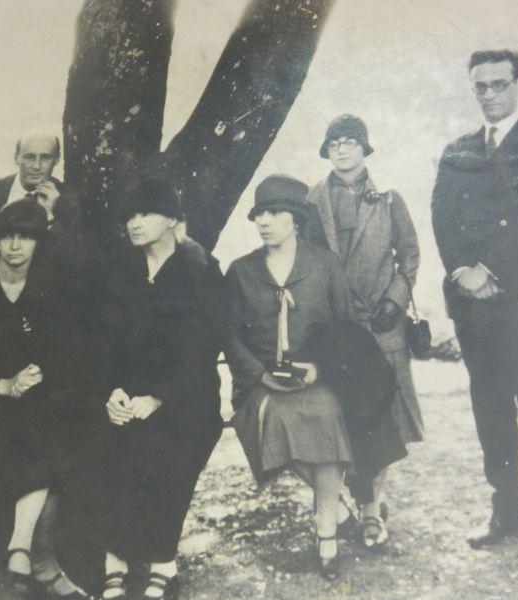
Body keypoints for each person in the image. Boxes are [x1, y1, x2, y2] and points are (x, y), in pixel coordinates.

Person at [432, 49, 518, 550]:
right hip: (475, 306)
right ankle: (503, 509)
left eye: (499, 84)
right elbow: (442, 217)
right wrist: (462, 271)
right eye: (480, 86)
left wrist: (492, 269)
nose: (489, 95)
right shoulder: (457, 151)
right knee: (490, 407)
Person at [0, 201, 91, 598]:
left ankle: (24, 550)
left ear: (39, 242)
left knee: (48, 427)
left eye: (25, 236)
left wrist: (40, 373)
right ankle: (33, 559)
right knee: (20, 434)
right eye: (8, 236)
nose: (15, 245)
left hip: (39, 395)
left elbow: (73, 348)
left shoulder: (56, 286)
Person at [93, 177, 224, 600]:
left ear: (173, 219)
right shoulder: (119, 267)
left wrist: (159, 397)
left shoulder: (200, 267)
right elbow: (103, 339)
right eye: (130, 215)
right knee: (112, 452)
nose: (135, 223)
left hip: (185, 395)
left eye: (146, 213)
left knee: (170, 457)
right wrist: (110, 391)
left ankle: (162, 559)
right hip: (124, 392)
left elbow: (202, 346)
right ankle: (115, 556)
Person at [226, 175, 352, 580]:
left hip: (315, 379)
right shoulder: (241, 271)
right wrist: (260, 375)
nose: (265, 222)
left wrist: (319, 368)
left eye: (275, 213)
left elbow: (343, 327)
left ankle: (326, 533)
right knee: (279, 422)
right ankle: (336, 501)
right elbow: (228, 335)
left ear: (296, 219)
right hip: (260, 384)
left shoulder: (324, 265)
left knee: (326, 415)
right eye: (259, 214)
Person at [305, 115, 422, 549]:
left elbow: (409, 256)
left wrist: (394, 300)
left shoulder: (389, 200)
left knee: (382, 416)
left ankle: (372, 509)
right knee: (336, 414)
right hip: (336, 328)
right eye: (333, 142)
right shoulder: (312, 199)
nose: (342, 149)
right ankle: (334, 501)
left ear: (365, 149)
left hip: (381, 325)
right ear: (326, 150)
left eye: (350, 142)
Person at [0, 130, 83, 271]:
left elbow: (74, 262)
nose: (36, 166)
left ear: (56, 159)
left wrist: (49, 217)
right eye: (29, 157)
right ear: (16, 158)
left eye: (45, 158)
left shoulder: (67, 199)